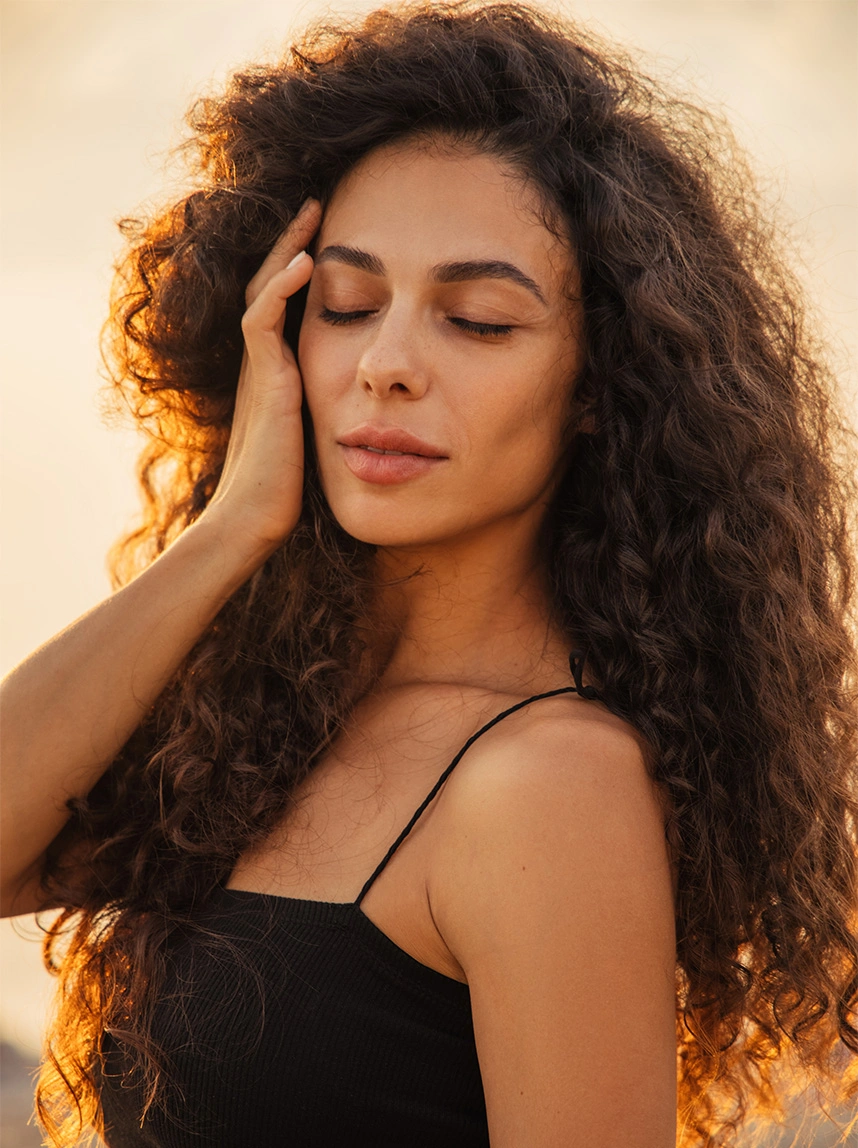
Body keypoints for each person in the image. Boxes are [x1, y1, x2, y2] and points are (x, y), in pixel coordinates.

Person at [1, 1, 856, 1144]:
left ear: (602, 387)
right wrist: (232, 526)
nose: (387, 364)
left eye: (478, 319)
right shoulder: (261, 727)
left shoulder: (551, 785)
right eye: (346, 305)